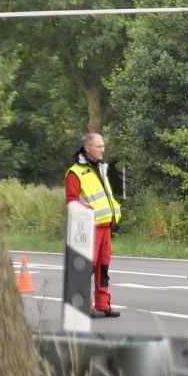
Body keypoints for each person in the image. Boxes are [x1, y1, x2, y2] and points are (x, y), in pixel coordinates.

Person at [66, 133, 123, 318]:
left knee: (103, 267)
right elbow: (72, 201)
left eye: (103, 146)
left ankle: (103, 305)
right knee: (88, 267)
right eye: (99, 146)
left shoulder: (102, 168)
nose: (103, 149)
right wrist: (89, 212)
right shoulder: (75, 172)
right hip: (88, 227)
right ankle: (83, 306)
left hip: (105, 225)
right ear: (87, 148)